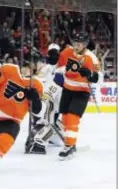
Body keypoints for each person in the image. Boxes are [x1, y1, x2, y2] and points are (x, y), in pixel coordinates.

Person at [56, 32, 100, 160]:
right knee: (64, 118)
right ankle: (71, 143)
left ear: (85, 44)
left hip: (82, 92)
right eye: (75, 42)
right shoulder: (66, 52)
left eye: (79, 43)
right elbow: (58, 67)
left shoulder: (91, 57)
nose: (76, 45)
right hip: (67, 89)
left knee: (72, 118)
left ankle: (68, 146)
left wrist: (90, 74)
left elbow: (98, 77)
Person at [25, 43, 65, 154]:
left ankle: (39, 136)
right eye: (51, 53)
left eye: (55, 53)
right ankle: (39, 143)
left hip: (52, 98)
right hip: (47, 98)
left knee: (53, 125)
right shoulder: (47, 67)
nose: (52, 56)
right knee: (48, 121)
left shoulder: (60, 67)